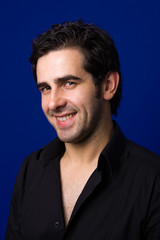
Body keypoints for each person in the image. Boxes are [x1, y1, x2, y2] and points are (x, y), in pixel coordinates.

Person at [6, 19, 160, 240]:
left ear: (108, 85)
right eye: (46, 88)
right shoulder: (31, 170)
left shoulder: (154, 180)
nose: (53, 103)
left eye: (69, 83)